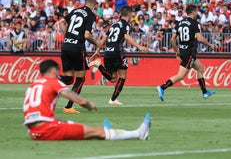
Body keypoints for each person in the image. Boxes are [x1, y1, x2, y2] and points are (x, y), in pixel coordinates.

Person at [23, 59, 151, 141]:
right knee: (96, 132)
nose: (58, 74)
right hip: (48, 130)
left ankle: (108, 131)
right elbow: (76, 98)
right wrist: (89, 104)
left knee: (68, 123)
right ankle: (138, 134)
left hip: (33, 131)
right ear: (52, 70)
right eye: (57, 71)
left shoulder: (34, 85)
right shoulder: (53, 82)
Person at [157, 4, 216, 101]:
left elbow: (172, 39)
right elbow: (200, 38)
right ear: (193, 12)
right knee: (180, 76)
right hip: (189, 52)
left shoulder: (180, 23)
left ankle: (205, 92)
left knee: (200, 68)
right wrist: (210, 45)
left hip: (183, 51)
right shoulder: (194, 23)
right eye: (196, 11)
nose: (197, 13)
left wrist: (176, 51)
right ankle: (162, 87)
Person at [90, 5, 148, 105]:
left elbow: (104, 38)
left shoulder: (113, 25)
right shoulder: (125, 25)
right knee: (123, 76)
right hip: (118, 52)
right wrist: (139, 46)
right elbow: (126, 36)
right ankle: (112, 100)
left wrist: (97, 50)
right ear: (129, 14)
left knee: (113, 78)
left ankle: (98, 65)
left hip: (108, 52)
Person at [58, 0, 100, 114]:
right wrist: (97, 43)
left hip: (66, 46)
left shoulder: (75, 10)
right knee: (80, 79)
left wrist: (68, 36)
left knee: (69, 79)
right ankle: (68, 106)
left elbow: (61, 22)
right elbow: (87, 35)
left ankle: (50, 80)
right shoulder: (91, 15)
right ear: (94, 1)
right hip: (77, 48)